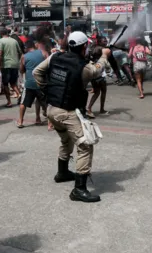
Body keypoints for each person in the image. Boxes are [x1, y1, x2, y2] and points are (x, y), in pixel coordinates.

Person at [33, 31, 108, 203]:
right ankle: (79, 189)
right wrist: (104, 55)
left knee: (66, 140)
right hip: (67, 111)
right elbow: (98, 70)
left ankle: (62, 172)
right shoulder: (84, 67)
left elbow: (37, 72)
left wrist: (47, 90)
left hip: (51, 109)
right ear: (84, 47)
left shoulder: (55, 57)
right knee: (85, 146)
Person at [17, 37, 48, 128]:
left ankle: (20, 121)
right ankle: (44, 121)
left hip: (29, 83)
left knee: (23, 103)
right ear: (34, 45)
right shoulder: (43, 52)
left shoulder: (24, 56)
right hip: (41, 82)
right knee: (44, 103)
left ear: (26, 48)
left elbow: (22, 70)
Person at [0, 27, 22, 107]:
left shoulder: (1, 41)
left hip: (6, 65)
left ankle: (9, 102)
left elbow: (0, 54)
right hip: (15, 64)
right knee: (13, 82)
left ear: (0, 34)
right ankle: (19, 94)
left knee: (5, 84)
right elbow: (20, 52)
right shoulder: (14, 41)